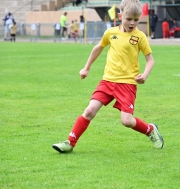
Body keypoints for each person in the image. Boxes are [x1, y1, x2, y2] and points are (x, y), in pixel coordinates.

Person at [52, 0, 164, 153]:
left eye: (136, 20)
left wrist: (144, 75)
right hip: (107, 81)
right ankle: (70, 142)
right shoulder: (111, 33)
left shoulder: (140, 36)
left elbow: (150, 60)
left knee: (126, 121)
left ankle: (150, 130)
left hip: (127, 84)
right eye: (129, 19)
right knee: (90, 110)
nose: (132, 23)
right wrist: (86, 68)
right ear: (120, 16)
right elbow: (98, 48)